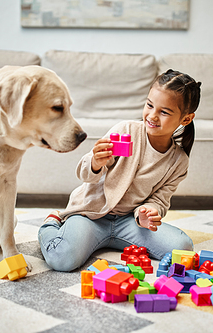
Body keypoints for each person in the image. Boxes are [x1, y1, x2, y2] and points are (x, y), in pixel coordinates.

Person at [38, 69, 202, 272]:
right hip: (91, 216)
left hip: (130, 223)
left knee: (183, 248)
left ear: (186, 119)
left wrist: (149, 212)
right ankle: (51, 225)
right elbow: (83, 173)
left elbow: (160, 200)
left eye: (164, 112)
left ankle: (109, 240)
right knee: (62, 259)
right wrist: (96, 162)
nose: (152, 115)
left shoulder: (179, 161)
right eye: (149, 105)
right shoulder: (125, 130)